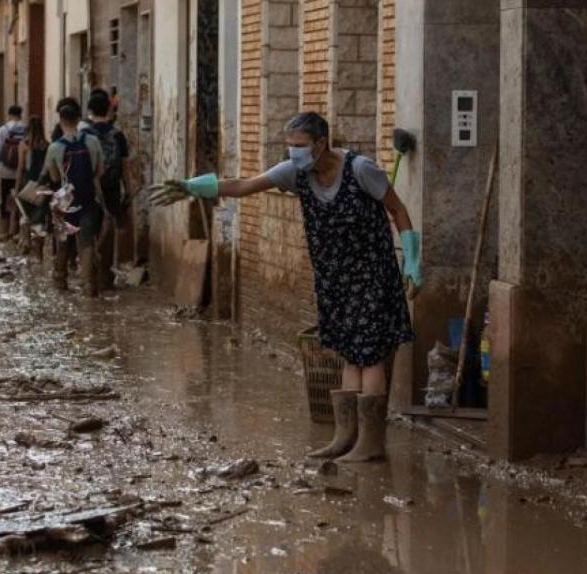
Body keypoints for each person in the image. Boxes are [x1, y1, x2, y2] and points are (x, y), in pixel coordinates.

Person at [151, 111, 422, 462]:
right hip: (333, 278)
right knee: (346, 352)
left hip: (372, 275)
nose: (292, 153)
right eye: (289, 146)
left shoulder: (360, 169)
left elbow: (398, 210)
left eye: (300, 146)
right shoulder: (296, 173)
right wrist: (193, 187)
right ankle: (345, 436)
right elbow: (246, 185)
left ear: (321, 143)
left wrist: (413, 260)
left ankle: (370, 444)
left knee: (369, 354)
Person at [45, 103, 104, 297]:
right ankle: (88, 286)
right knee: (86, 242)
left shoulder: (54, 148)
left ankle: (60, 280)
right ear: (79, 119)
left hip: (65, 201)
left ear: (60, 121)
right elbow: (99, 171)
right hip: (88, 197)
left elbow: (54, 178)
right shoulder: (93, 141)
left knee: (62, 241)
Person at [84, 90, 135, 289]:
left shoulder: (84, 135)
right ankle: (105, 276)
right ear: (108, 108)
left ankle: (90, 278)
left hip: (89, 190)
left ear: (90, 110)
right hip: (112, 189)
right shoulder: (118, 136)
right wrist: (129, 191)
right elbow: (125, 168)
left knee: (89, 231)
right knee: (109, 231)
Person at [15, 115, 51, 260]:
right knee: (40, 221)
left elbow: (21, 168)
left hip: (27, 185)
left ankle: (26, 242)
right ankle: (39, 253)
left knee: (25, 217)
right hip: (42, 186)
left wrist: (17, 188)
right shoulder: (47, 145)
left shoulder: (24, 145)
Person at [0, 105, 26, 231]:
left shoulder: (3, 130)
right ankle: (18, 231)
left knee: (5, 200)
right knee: (21, 202)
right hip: (22, 173)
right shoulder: (26, 129)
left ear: (9, 115)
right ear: (21, 115)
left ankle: (6, 230)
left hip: (6, 172)